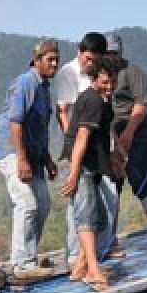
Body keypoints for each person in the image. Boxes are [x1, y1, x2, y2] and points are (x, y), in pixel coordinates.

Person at [0, 39, 59, 274]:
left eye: (56, 59)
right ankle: (22, 263)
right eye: (50, 59)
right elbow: (15, 123)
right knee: (27, 204)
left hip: (34, 155)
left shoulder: (45, 89)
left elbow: (40, 129)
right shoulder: (25, 83)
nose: (54, 64)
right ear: (37, 61)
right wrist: (21, 159)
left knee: (43, 205)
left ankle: (29, 255)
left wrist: (47, 159)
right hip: (13, 153)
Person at [54, 32, 121, 263]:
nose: (89, 63)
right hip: (80, 149)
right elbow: (65, 113)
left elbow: (105, 122)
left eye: (94, 60)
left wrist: (115, 149)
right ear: (79, 52)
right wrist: (73, 159)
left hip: (97, 149)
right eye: (87, 58)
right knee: (82, 208)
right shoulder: (70, 74)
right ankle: (78, 258)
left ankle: (96, 253)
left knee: (106, 201)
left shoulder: (104, 84)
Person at [108, 37, 147, 248]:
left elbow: (141, 105)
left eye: (115, 53)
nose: (111, 57)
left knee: (143, 180)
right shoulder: (100, 76)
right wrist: (114, 140)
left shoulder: (132, 72)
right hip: (111, 136)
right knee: (110, 187)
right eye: (107, 53)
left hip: (137, 133)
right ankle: (110, 239)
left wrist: (128, 134)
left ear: (121, 53)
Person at [60, 58, 116, 290]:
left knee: (100, 218)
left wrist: (118, 153)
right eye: (105, 82)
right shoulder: (93, 100)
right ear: (94, 79)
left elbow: (104, 133)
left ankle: (81, 267)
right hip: (79, 164)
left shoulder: (102, 100)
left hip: (89, 165)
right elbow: (81, 138)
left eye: (112, 82)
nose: (109, 86)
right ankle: (92, 270)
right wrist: (74, 174)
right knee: (86, 218)